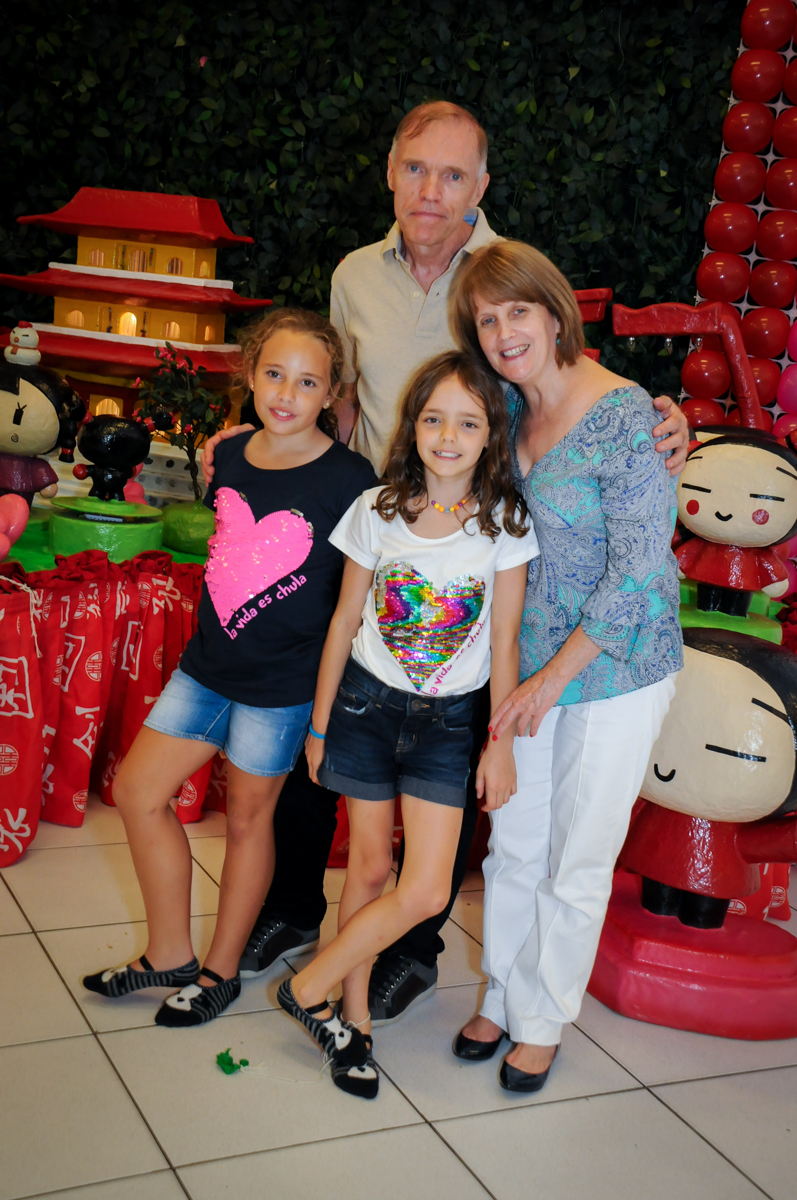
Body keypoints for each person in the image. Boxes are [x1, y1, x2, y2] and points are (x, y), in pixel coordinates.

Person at [202, 100, 691, 1025]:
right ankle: (309, 916)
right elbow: (336, 399)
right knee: (357, 742)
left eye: (453, 174)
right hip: (381, 533)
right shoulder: (356, 277)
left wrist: (669, 421)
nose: (432, 190)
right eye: (416, 169)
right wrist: (266, 436)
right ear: (390, 170)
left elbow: (587, 426)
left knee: (458, 771)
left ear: (482, 187)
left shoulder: (501, 292)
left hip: (491, 584)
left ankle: (419, 952)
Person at [82, 309, 375, 1025]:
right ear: (248, 374)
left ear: (333, 393)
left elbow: (352, 598)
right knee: (138, 791)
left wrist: (326, 709)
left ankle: (217, 971)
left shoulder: (351, 478)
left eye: (307, 381)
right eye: (273, 373)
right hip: (206, 668)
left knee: (249, 822)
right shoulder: (232, 455)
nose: (286, 393)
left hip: (283, 689)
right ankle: (168, 954)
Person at [448, 239, 683, 1092]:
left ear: (552, 313)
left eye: (517, 311)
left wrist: (550, 680)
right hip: (531, 654)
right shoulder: (505, 411)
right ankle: (504, 993)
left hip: (618, 664)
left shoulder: (625, 414)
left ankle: (543, 1018)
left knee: (577, 853)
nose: (504, 331)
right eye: (486, 319)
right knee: (513, 839)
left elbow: (640, 568)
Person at [277, 348, 539, 1098]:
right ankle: (349, 1025)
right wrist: (320, 726)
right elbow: (342, 622)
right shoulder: (377, 508)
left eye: (466, 421)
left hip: (450, 724)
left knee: (424, 890)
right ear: (411, 426)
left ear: (490, 433)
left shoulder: (504, 522)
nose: (447, 436)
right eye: (432, 419)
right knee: (364, 870)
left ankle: (309, 986)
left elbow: (503, 641)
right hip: (362, 708)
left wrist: (500, 747)